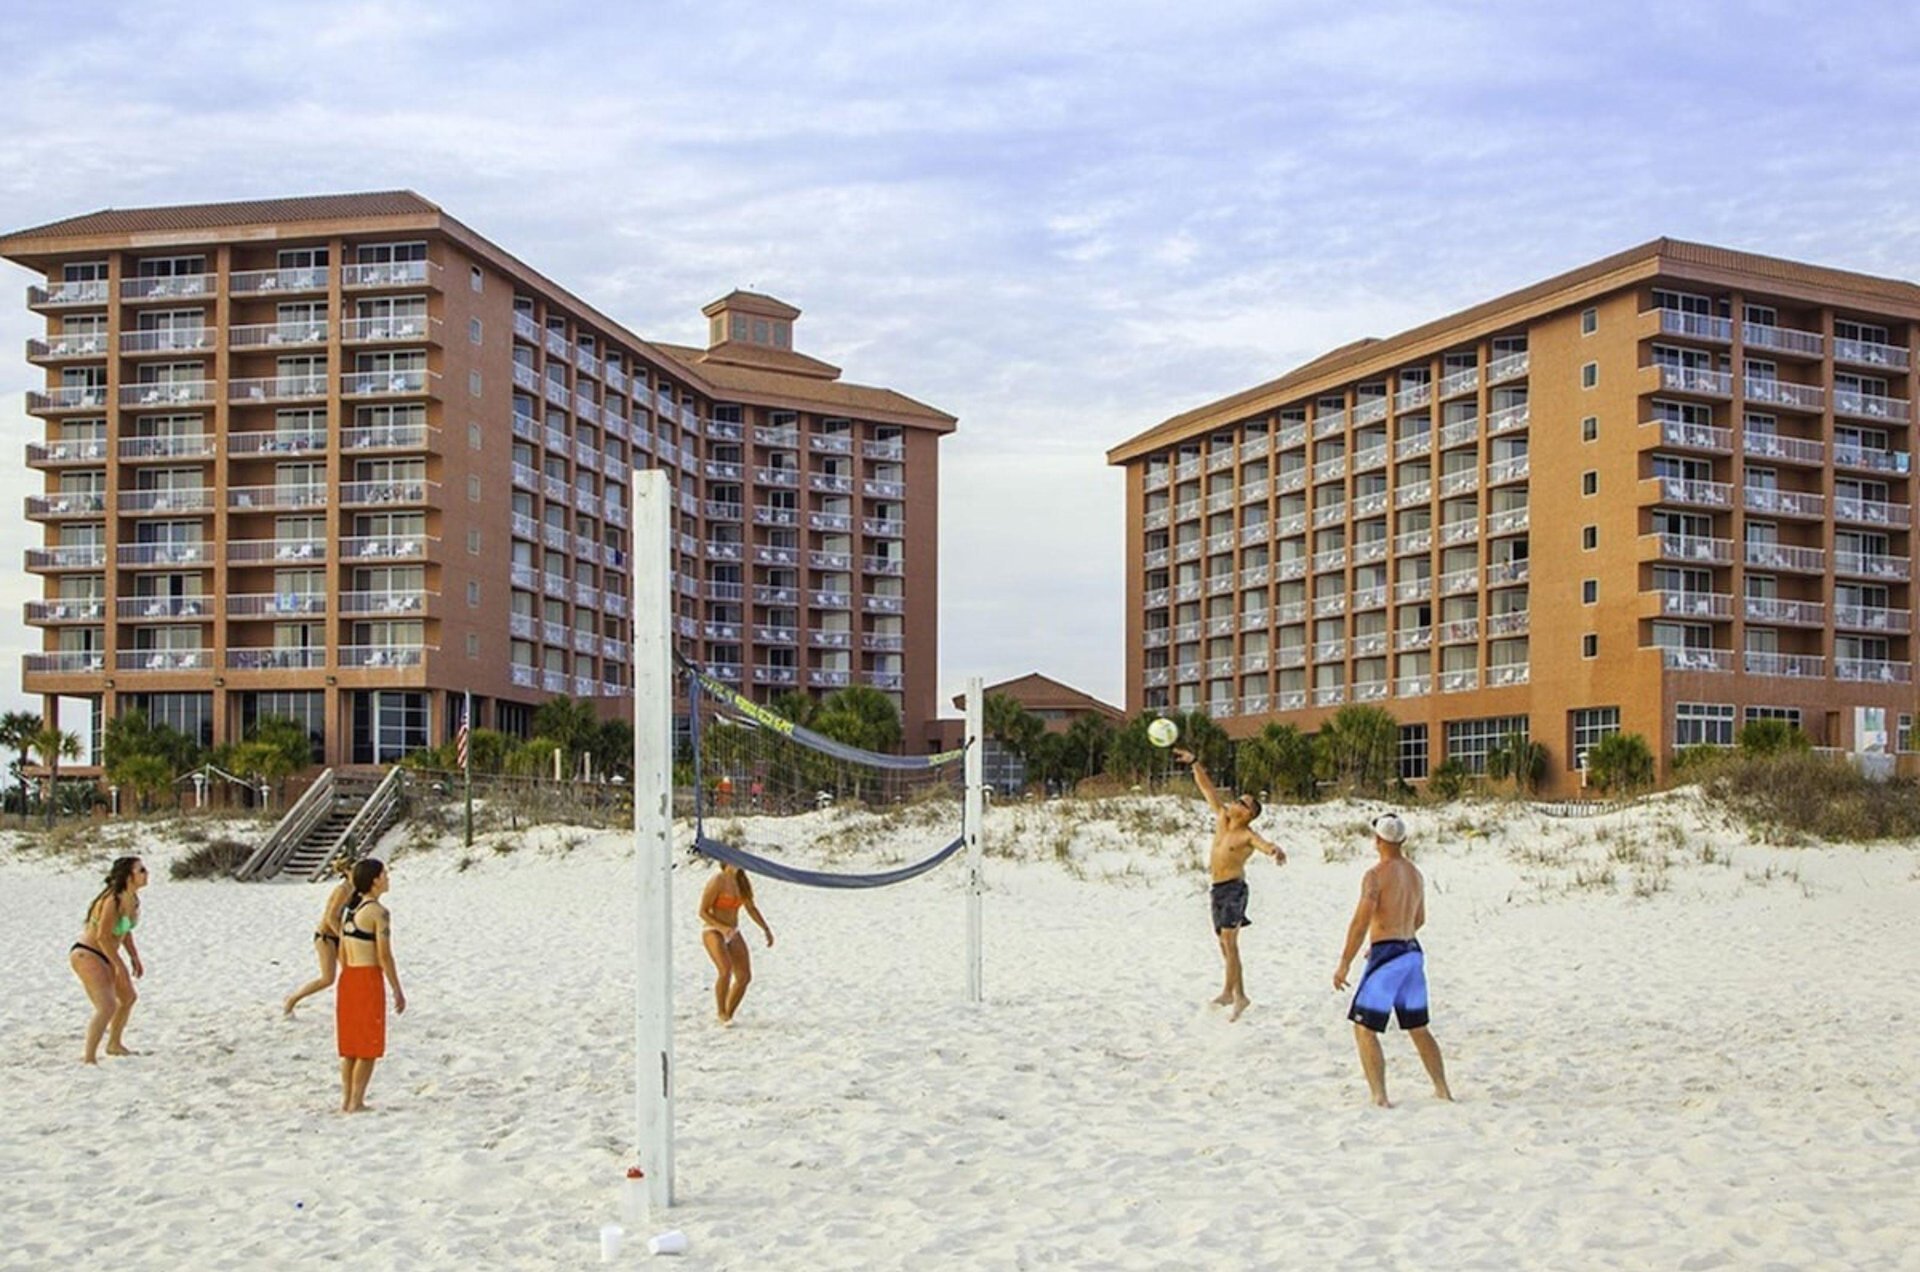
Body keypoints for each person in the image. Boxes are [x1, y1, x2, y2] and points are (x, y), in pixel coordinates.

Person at [1333, 813, 1454, 1107]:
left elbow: (1360, 922)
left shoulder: (1375, 875)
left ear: (1377, 840)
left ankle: (1380, 1096)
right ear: (1403, 840)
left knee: (1364, 1028)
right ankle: (1442, 1089)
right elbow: (1419, 919)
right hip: (1411, 952)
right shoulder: (1415, 874)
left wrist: (1345, 962)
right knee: (1418, 1027)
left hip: (1388, 956)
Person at [1174, 747, 1285, 1022]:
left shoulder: (1247, 834)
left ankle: (1227, 991)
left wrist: (1274, 850)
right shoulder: (1223, 819)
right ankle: (1241, 996)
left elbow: (1264, 844)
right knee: (1225, 946)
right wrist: (1195, 763)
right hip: (1217, 889)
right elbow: (1208, 790)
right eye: (1238, 799)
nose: (1235, 802)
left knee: (1230, 942)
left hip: (1235, 889)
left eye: (1243, 803)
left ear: (1249, 814)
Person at [336, 858, 406, 1113]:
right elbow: (385, 955)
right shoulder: (378, 913)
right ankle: (357, 1101)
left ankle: (347, 1100)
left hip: (349, 977)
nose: (387, 878)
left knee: (350, 1046)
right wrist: (397, 989)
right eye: (384, 874)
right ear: (375, 880)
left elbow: (342, 951)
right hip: (367, 978)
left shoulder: (350, 911)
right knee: (367, 1045)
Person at [68, 856, 148, 1064]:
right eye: (141, 870)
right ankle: (89, 1058)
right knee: (107, 1006)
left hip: (107, 954)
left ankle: (114, 1044)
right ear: (128, 876)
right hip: (88, 953)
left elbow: (125, 931)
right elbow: (103, 936)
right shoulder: (112, 900)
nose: (146, 874)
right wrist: (118, 965)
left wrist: (134, 957)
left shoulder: (132, 899)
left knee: (128, 997)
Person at [698, 859, 773, 1024]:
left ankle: (729, 1014)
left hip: (733, 931)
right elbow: (702, 911)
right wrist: (722, 928)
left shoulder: (742, 882)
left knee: (744, 976)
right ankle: (721, 1012)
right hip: (713, 929)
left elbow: (751, 908)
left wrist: (765, 929)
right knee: (725, 970)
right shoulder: (718, 880)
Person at [282, 865, 353, 1017]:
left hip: (338, 935)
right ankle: (292, 1000)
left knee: (351, 972)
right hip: (326, 937)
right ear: (347, 872)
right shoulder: (342, 890)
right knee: (327, 979)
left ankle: (351, 1008)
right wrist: (343, 937)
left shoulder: (355, 890)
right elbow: (330, 917)